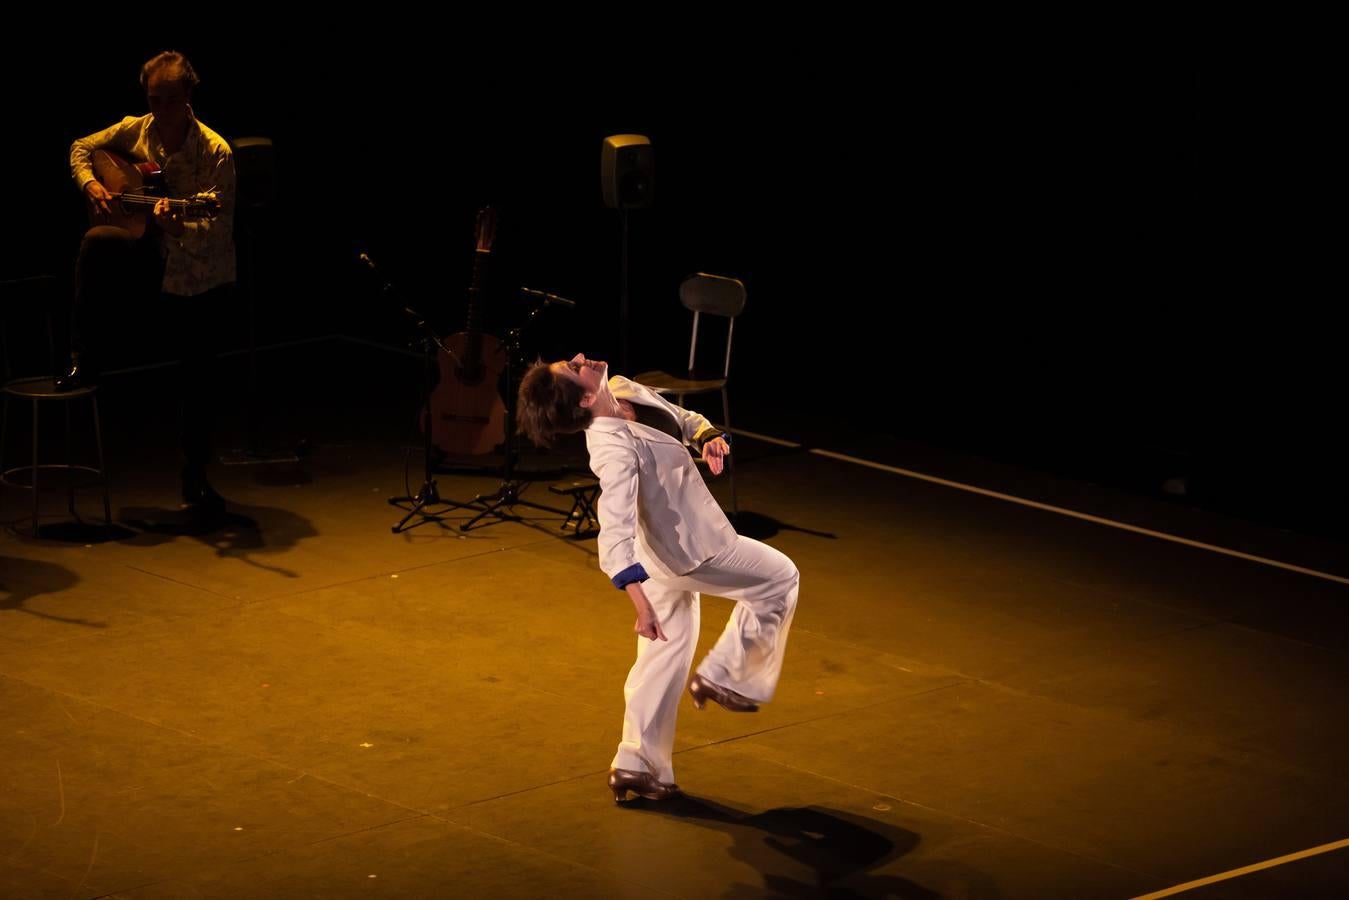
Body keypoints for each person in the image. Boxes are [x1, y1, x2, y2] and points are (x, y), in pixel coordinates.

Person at [518, 353, 800, 802]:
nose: (579, 358)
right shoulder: (611, 449)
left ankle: (637, 762)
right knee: (780, 577)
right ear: (587, 397)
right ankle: (727, 675)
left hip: (659, 559)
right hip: (687, 552)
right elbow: (614, 528)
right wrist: (638, 602)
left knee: (661, 658)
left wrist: (706, 436)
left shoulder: (623, 388)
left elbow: (682, 419)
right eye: (574, 368)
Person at [63, 50, 236, 510]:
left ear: (189, 96)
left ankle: (194, 476)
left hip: (198, 271)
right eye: (153, 99)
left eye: (169, 100)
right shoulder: (135, 129)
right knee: (97, 242)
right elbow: (81, 148)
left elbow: (217, 230)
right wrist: (92, 186)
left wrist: (181, 226)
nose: (159, 110)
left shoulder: (215, 152)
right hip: (147, 251)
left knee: (197, 377)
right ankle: (85, 356)